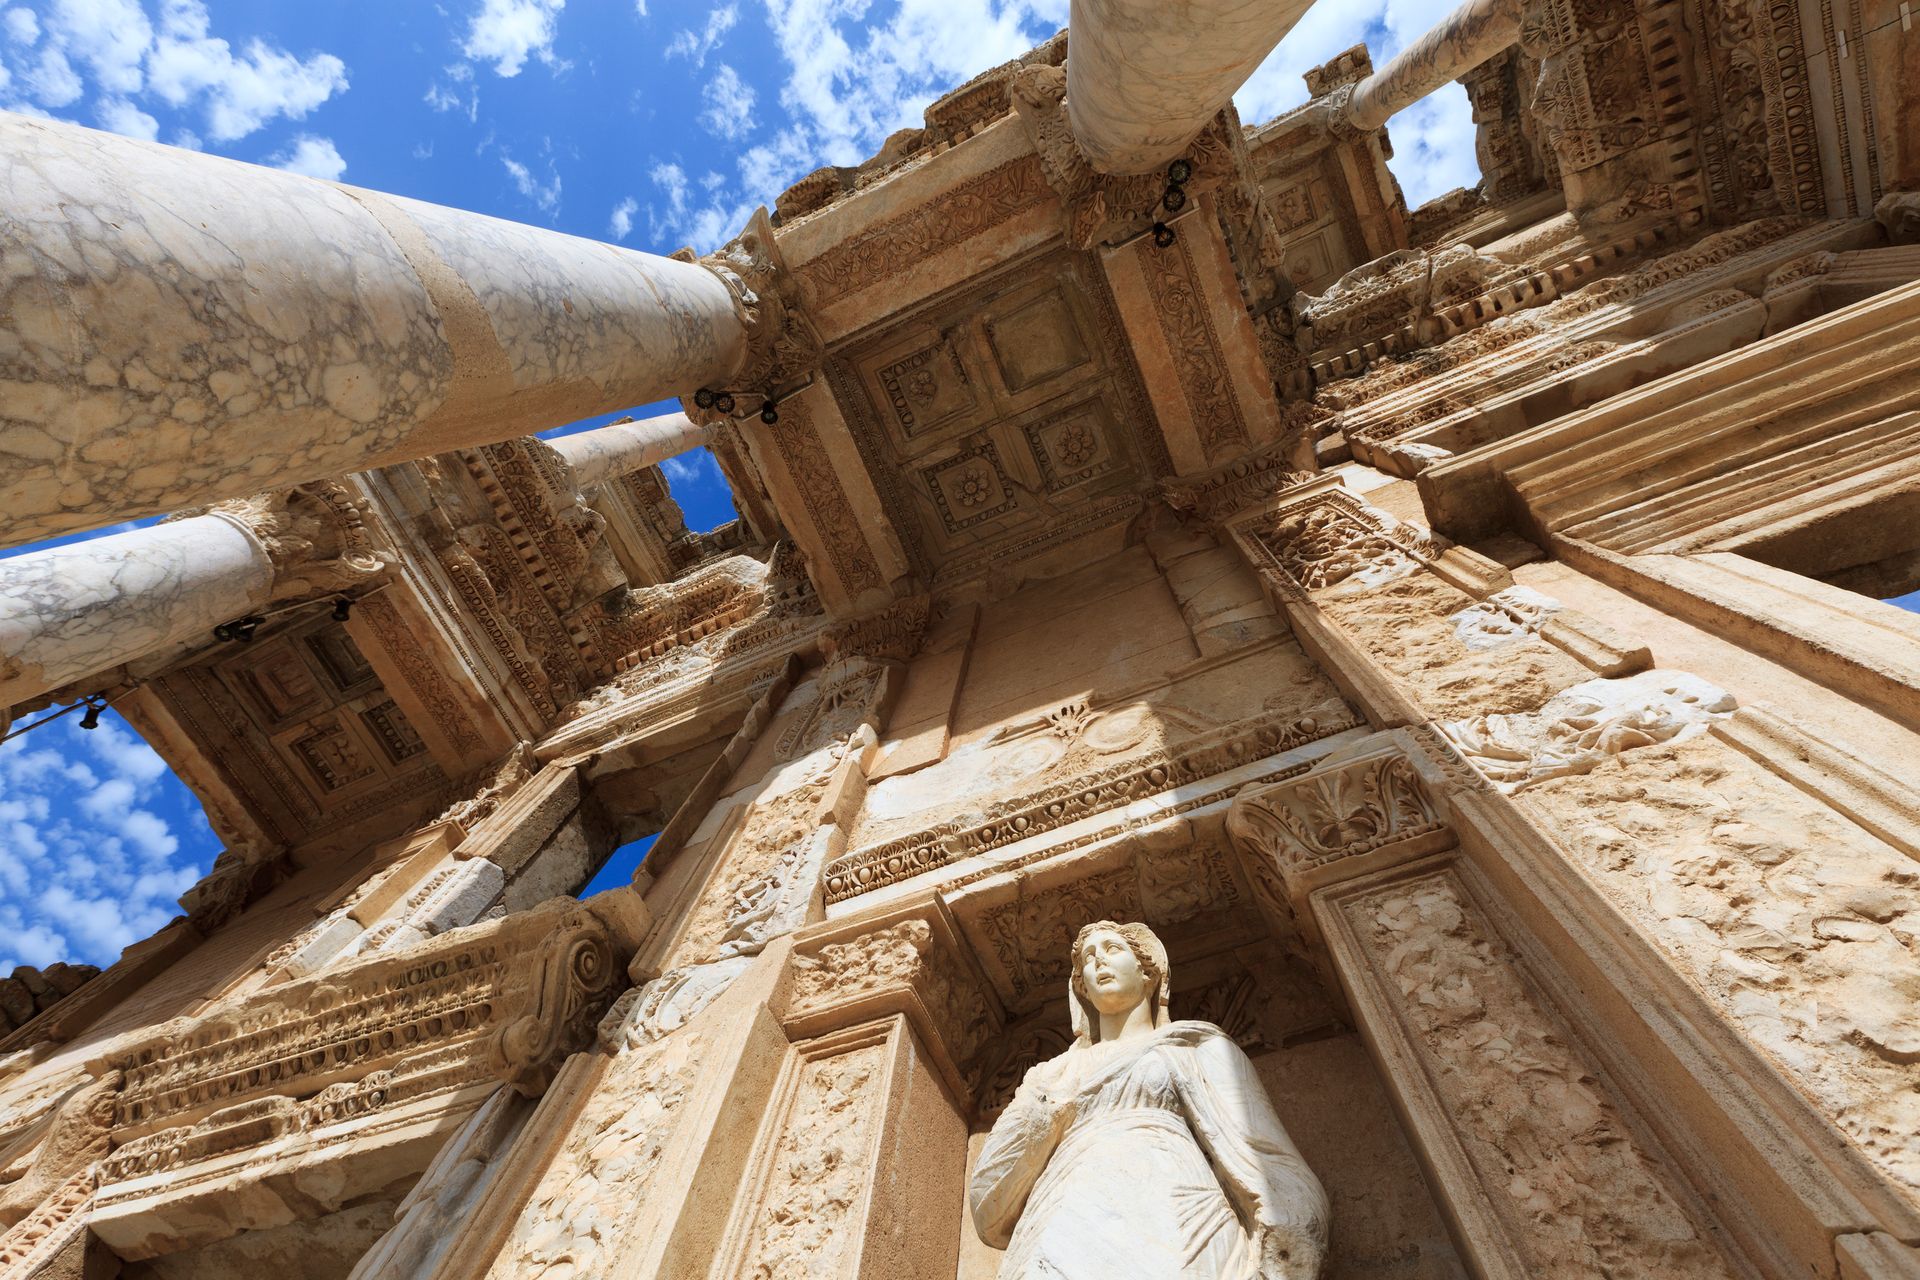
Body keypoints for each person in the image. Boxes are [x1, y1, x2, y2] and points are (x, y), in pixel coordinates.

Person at [969, 920, 1328, 1279]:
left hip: (1175, 1213)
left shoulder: (1194, 1046)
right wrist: (1046, 1118)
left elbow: (1263, 1152)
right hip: (1062, 1221)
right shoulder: (1051, 1075)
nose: (1099, 963)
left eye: (1112, 949)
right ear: (1081, 990)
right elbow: (988, 1202)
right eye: (1088, 960)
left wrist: (1289, 1238)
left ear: (1149, 972)